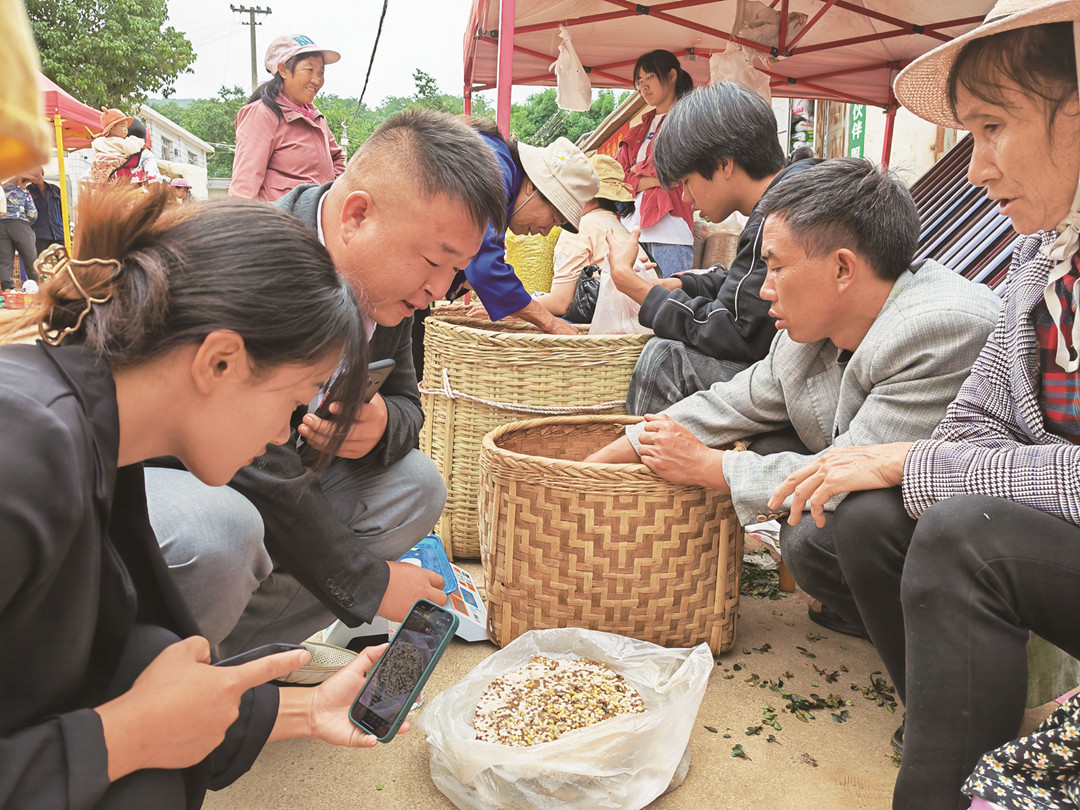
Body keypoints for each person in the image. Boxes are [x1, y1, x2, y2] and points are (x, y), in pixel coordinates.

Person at [765, 7, 1080, 808]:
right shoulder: (1040, 260)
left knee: (962, 533)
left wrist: (910, 459)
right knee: (867, 515)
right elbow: (978, 420)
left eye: (993, 127)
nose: (976, 169)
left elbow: (954, 460)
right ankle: (962, 727)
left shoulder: (936, 315)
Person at [0, 183, 403, 809]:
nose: (285, 433)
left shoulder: (90, 433)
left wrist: (305, 709)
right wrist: (124, 738)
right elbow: (119, 715)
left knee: (151, 651)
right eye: (294, 400)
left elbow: (99, 671)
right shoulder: (23, 452)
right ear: (219, 361)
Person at [145, 109, 507, 660]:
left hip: (275, 475)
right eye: (436, 261)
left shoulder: (390, 283)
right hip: (168, 476)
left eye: (457, 270)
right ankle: (143, 687)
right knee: (221, 530)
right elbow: (254, 459)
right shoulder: (256, 261)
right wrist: (368, 580)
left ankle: (226, 660)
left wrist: (382, 423)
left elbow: (409, 402)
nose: (440, 289)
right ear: (357, 215)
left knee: (417, 485)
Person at [586, 160, 1000, 597]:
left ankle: (903, 618)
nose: (765, 290)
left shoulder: (939, 331)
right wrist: (603, 461)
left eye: (777, 269)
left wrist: (711, 466)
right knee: (765, 443)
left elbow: (858, 463)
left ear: (843, 269)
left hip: (964, 523)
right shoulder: (812, 327)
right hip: (858, 464)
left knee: (817, 539)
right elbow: (733, 401)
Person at [611, 82, 823, 415]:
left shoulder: (779, 219)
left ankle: (640, 463)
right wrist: (683, 284)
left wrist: (639, 289)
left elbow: (737, 331)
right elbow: (744, 290)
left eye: (687, 183)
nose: (686, 199)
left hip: (808, 380)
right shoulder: (798, 191)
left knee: (664, 358)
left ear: (724, 164)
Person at [444, 120, 597, 336]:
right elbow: (485, 267)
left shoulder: (498, 164)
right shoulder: (495, 171)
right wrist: (550, 323)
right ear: (533, 186)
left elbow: (470, 262)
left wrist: (510, 302)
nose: (545, 232)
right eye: (553, 218)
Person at [229, 34, 345, 202]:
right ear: (283, 70)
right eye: (309, 70)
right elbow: (244, 186)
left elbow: (337, 158)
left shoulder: (316, 117)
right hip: (280, 223)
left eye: (321, 72)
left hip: (316, 221)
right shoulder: (261, 115)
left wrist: (333, 195)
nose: (317, 79)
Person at [535, 153, 647, 318]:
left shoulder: (579, 228)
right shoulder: (619, 228)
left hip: (611, 322)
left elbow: (560, 303)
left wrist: (514, 305)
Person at [615, 49, 695, 277]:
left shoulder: (687, 120)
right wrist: (654, 179)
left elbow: (675, 169)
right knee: (635, 307)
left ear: (671, 76)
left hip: (672, 232)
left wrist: (636, 173)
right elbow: (617, 177)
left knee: (670, 304)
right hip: (632, 230)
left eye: (649, 77)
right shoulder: (640, 127)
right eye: (640, 81)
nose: (644, 86)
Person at [88, 108, 147, 185]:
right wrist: (135, 141)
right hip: (117, 172)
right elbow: (135, 150)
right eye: (123, 126)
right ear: (111, 128)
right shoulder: (122, 142)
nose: (126, 130)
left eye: (126, 127)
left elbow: (95, 152)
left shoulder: (98, 141)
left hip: (100, 174)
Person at [0, 175, 38, 289]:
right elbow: (32, 214)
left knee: (4, 261)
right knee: (30, 258)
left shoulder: (1, 191)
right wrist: (26, 224)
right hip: (20, 225)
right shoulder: (23, 191)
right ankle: (35, 287)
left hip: (1, 226)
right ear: (18, 180)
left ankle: (7, 289)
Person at [25, 167, 64, 254]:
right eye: (31, 174)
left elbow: (63, 210)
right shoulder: (27, 191)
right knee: (40, 264)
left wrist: (64, 227)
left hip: (58, 233)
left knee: (63, 263)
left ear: (42, 173)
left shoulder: (55, 189)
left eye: (36, 173)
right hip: (39, 235)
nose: (34, 176)